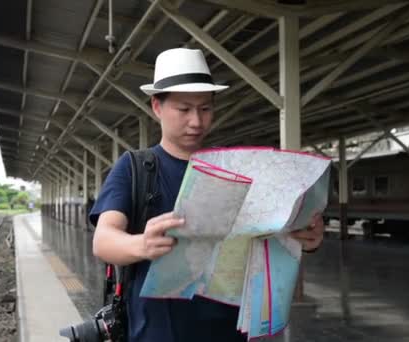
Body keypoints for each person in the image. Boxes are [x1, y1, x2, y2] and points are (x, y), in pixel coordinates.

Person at [89, 48, 324, 342]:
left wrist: (305, 234)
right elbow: (104, 240)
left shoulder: (237, 168)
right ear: (157, 107)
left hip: (231, 331)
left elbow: (264, 234)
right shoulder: (135, 168)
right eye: (184, 109)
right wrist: (142, 245)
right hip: (158, 334)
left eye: (205, 108)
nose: (197, 121)